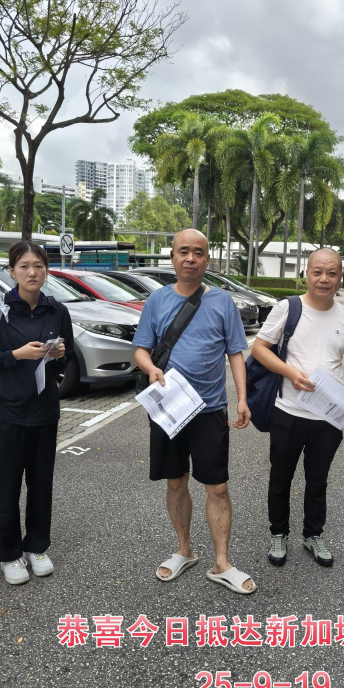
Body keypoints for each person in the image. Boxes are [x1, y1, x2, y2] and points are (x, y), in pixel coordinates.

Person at [133, 229, 256, 595]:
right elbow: (141, 349)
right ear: (173, 257)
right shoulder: (157, 300)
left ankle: (222, 562)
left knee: (217, 486)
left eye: (198, 252)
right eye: (183, 251)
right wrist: (150, 368)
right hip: (169, 407)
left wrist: (242, 398)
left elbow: (236, 353)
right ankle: (184, 550)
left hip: (210, 408)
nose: (191, 258)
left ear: (207, 259)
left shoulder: (222, 301)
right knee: (175, 482)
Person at [251, 248, 344, 568]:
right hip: (287, 411)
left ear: (341, 277)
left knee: (318, 479)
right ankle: (279, 533)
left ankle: (313, 534)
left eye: (331, 273)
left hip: (328, 415)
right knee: (281, 477)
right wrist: (290, 373)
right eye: (317, 272)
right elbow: (260, 348)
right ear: (306, 274)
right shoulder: (288, 308)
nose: (324, 278)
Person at [0, 242, 74, 585]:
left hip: (44, 413)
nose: (32, 272)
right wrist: (17, 354)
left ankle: (36, 547)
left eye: (39, 266)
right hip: (6, 413)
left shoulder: (57, 311)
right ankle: (9, 554)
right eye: (25, 266)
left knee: (41, 485)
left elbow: (68, 356)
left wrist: (58, 354)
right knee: (5, 487)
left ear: (46, 270)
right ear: (12, 271)